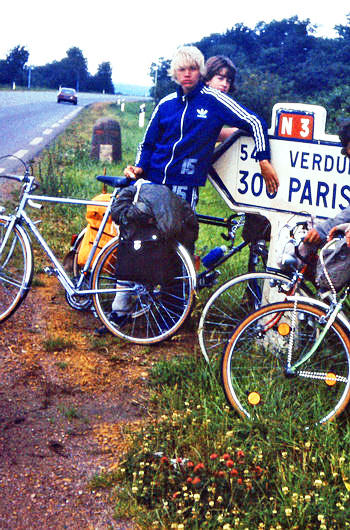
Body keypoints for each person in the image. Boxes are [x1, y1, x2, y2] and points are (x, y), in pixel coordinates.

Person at [124, 45, 278, 209]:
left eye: (193, 68)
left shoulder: (214, 99)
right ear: (175, 73)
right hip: (152, 180)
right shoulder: (165, 103)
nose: (187, 74)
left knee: (178, 234)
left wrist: (264, 160)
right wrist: (139, 166)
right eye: (182, 69)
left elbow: (255, 121)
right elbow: (147, 144)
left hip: (184, 185)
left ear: (201, 72)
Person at [204, 54, 272, 245]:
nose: (225, 84)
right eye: (220, 78)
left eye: (228, 80)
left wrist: (232, 133)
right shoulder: (211, 99)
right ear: (207, 78)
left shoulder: (206, 101)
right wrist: (264, 160)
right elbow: (254, 121)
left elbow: (209, 131)